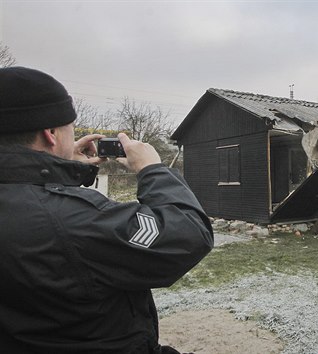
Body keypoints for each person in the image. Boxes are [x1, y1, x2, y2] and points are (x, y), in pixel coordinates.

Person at [0, 66, 213, 353]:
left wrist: (65, 168)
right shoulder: (73, 221)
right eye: (69, 127)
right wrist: (152, 169)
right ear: (50, 133)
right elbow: (188, 232)